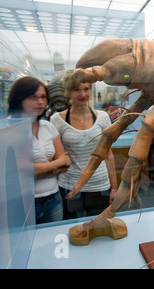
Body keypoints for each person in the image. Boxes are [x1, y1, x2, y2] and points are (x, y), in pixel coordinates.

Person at [50, 70, 117, 219]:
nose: (83, 94)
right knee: (71, 228)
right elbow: (57, 158)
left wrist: (115, 188)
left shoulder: (103, 118)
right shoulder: (56, 120)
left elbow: (108, 155)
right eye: (76, 90)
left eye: (86, 89)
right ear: (68, 92)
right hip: (69, 186)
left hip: (99, 185)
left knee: (99, 228)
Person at [8, 76, 70, 224]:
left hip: (53, 199)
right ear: (19, 98)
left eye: (43, 97)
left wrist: (38, 170)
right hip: (24, 203)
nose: (41, 102)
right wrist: (54, 165)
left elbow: (65, 162)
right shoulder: (11, 129)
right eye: (33, 97)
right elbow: (20, 169)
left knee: (52, 241)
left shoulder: (48, 127)